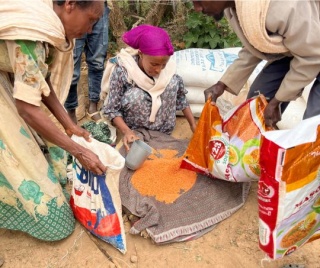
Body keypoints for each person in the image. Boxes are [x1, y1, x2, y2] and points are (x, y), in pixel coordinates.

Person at [0, 0, 106, 242]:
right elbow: (27, 109)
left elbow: (41, 81)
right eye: (90, 19)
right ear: (69, 4)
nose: (90, 30)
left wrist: (69, 126)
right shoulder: (32, 34)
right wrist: (79, 152)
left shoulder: (43, 27)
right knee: (15, 156)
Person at [191, 0, 320, 128]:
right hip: (299, 48)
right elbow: (255, 44)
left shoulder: (281, 7)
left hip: (313, 50)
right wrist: (222, 84)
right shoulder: (236, 8)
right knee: (257, 105)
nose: (197, 8)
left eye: (198, 1)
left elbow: (312, 57)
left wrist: (276, 102)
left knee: (312, 129)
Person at [101, 25, 197, 150]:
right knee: (135, 95)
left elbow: (181, 99)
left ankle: (159, 135)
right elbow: (111, 109)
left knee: (173, 82)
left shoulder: (168, 69)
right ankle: (137, 132)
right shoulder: (124, 70)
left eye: (163, 65)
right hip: (135, 130)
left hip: (164, 128)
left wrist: (193, 125)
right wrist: (127, 132)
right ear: (141, 54)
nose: (158, 69)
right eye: (154, 64)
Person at [64, 1, 109, 124]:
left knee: (97, 61)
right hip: (78, 6)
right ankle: (71, 110)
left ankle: (93, 105)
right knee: (71, 64)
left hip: (100, 6)